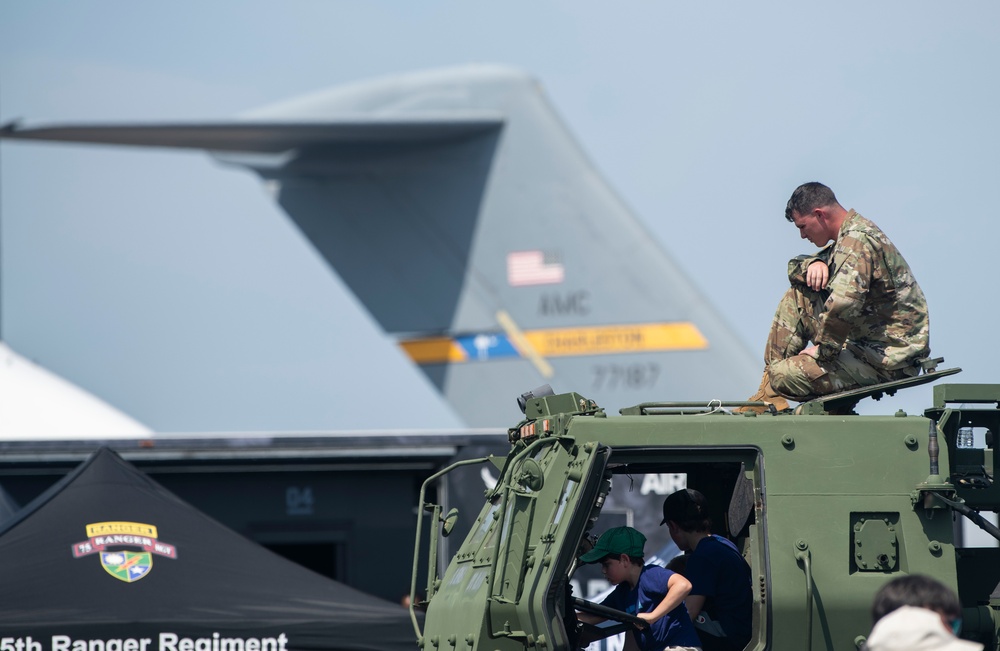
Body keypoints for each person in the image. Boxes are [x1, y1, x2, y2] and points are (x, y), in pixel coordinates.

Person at [740, 182, 930, 412]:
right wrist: (814, 263)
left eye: (803, 226)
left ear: (819, 215)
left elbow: (844, 303)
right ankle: (768, 393)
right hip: (868, 345)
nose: (802, 235)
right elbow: (794, 268)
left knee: (782, 375)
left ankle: (776, 387)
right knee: (799, 296)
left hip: (891, 356)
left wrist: (823, 351)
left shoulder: (855, 242)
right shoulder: (849, 237)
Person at [577, 526, 702, 651]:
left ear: (624, 559)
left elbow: (683, 585)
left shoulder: (650, 574)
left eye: (606, 564)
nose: (603, 570)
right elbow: (590, 617)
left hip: (680, 647)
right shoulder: (621, 594)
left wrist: (652, 616)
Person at [660, 489, 752, 651]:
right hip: (740, 632)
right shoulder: (721, 544)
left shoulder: (703, 556)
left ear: (673, 526)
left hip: (728, 639)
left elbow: (690, 612)